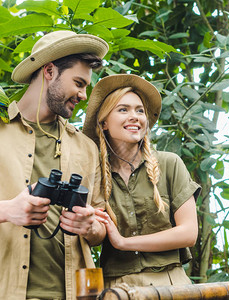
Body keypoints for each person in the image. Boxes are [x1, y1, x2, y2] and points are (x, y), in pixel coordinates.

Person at [0, 30, 109, 300]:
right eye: (79, 83)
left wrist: (90, 227)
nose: (83, 95)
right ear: (49, 71)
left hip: (78, 294)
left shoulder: (87, 147)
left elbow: (101, 227)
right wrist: (8, 210)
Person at [82, 74, 201, 287]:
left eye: (140, 110)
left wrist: (124, 243)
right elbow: (91, 234)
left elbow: (189, 233)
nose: (134, 116)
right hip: (117, 287)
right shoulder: (93, 174)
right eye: (123, 109)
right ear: (105, 123)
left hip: (171, 283)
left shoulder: (169, 164)